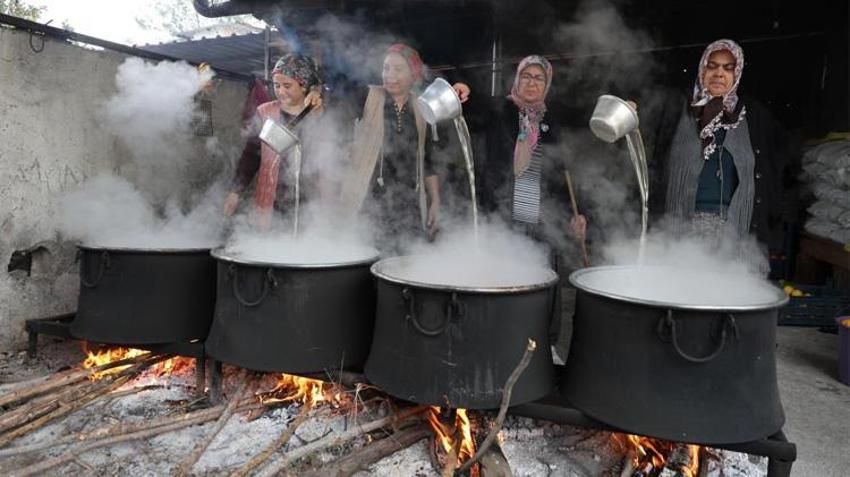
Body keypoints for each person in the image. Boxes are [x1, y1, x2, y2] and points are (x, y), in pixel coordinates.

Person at [474, 55, 587, 358]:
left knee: (542, 281)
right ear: (517, 79)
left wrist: (575, 212)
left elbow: (562, 172)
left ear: (547, 84)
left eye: (539, 78)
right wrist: (461, 89)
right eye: (527, 76)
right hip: (502, 213)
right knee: (503, 279)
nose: (532, 82)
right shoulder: (499, 110)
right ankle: (497, 342)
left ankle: (542, 346)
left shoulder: (551, 121)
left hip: (542, 217)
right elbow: (470, 107)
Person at [643, 39, 790, 271]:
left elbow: (776, 167)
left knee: (728, 297)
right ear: (702, 69)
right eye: (712, 66)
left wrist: (772, 225)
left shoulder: (754, 115)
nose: (719, 73)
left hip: (735, 231)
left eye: (728, 68)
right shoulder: (677, 108)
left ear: (737, 73)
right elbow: (645, 129)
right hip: (679, 228)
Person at [338, 43, 470, 253]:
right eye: (386, 68)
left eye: (398, 69)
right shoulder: (366, 96)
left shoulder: (422, 106)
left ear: (414, 75)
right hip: (367, 202)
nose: (390, 75)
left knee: (404, 265)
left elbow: (427, 160)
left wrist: (435, 200)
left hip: (409, 204)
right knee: (364, 263)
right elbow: (336, 110)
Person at [223, 54, 325, 230]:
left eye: (287, 85)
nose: (280, 91)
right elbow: (250, 156)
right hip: (271, 200)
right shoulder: (265, 112)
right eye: (276, 85)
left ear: (304, 86)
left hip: (309, 201)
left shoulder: (317, 112)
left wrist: (319, 105)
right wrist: (235, 192)